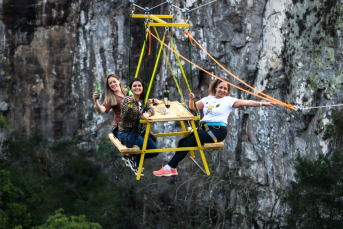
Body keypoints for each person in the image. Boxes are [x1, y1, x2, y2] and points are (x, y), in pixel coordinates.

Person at [153, 77, 275, 177]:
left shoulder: (229, 100)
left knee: (188, 143)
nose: (222, 90)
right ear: (215, 88)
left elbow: (246, 102)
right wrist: (191, 99)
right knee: (182, 142)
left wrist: (262, 103)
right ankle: (173, 168)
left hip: (217, 131)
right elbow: (193, 107)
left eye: (225, 88)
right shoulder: (208, 99)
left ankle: (168, 167)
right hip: (205, 129)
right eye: (221, 87)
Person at [117, 78, 159, 176]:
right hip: (127, 132)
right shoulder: (126, 101)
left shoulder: (143, 100)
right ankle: (135, 162)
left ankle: (132, 158)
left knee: (155, 152)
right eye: (134, 86)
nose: (137, 88)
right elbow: (127, 114)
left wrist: (147, 114)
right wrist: (131, 105)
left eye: (139, 86)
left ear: (142, 88)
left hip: (139, 132)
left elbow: (151, 109)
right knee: (143, 145)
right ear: (130, 89)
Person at [93, 73, 127, 137]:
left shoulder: (128, 92)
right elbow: (100, 110)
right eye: (110, 83)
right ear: (109, 85)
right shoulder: (111, 98)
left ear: (119, 81)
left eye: (114, 81)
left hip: (131, 125)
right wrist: (96, 101)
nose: (113, 84)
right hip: (119, 128)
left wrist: (152, 100)